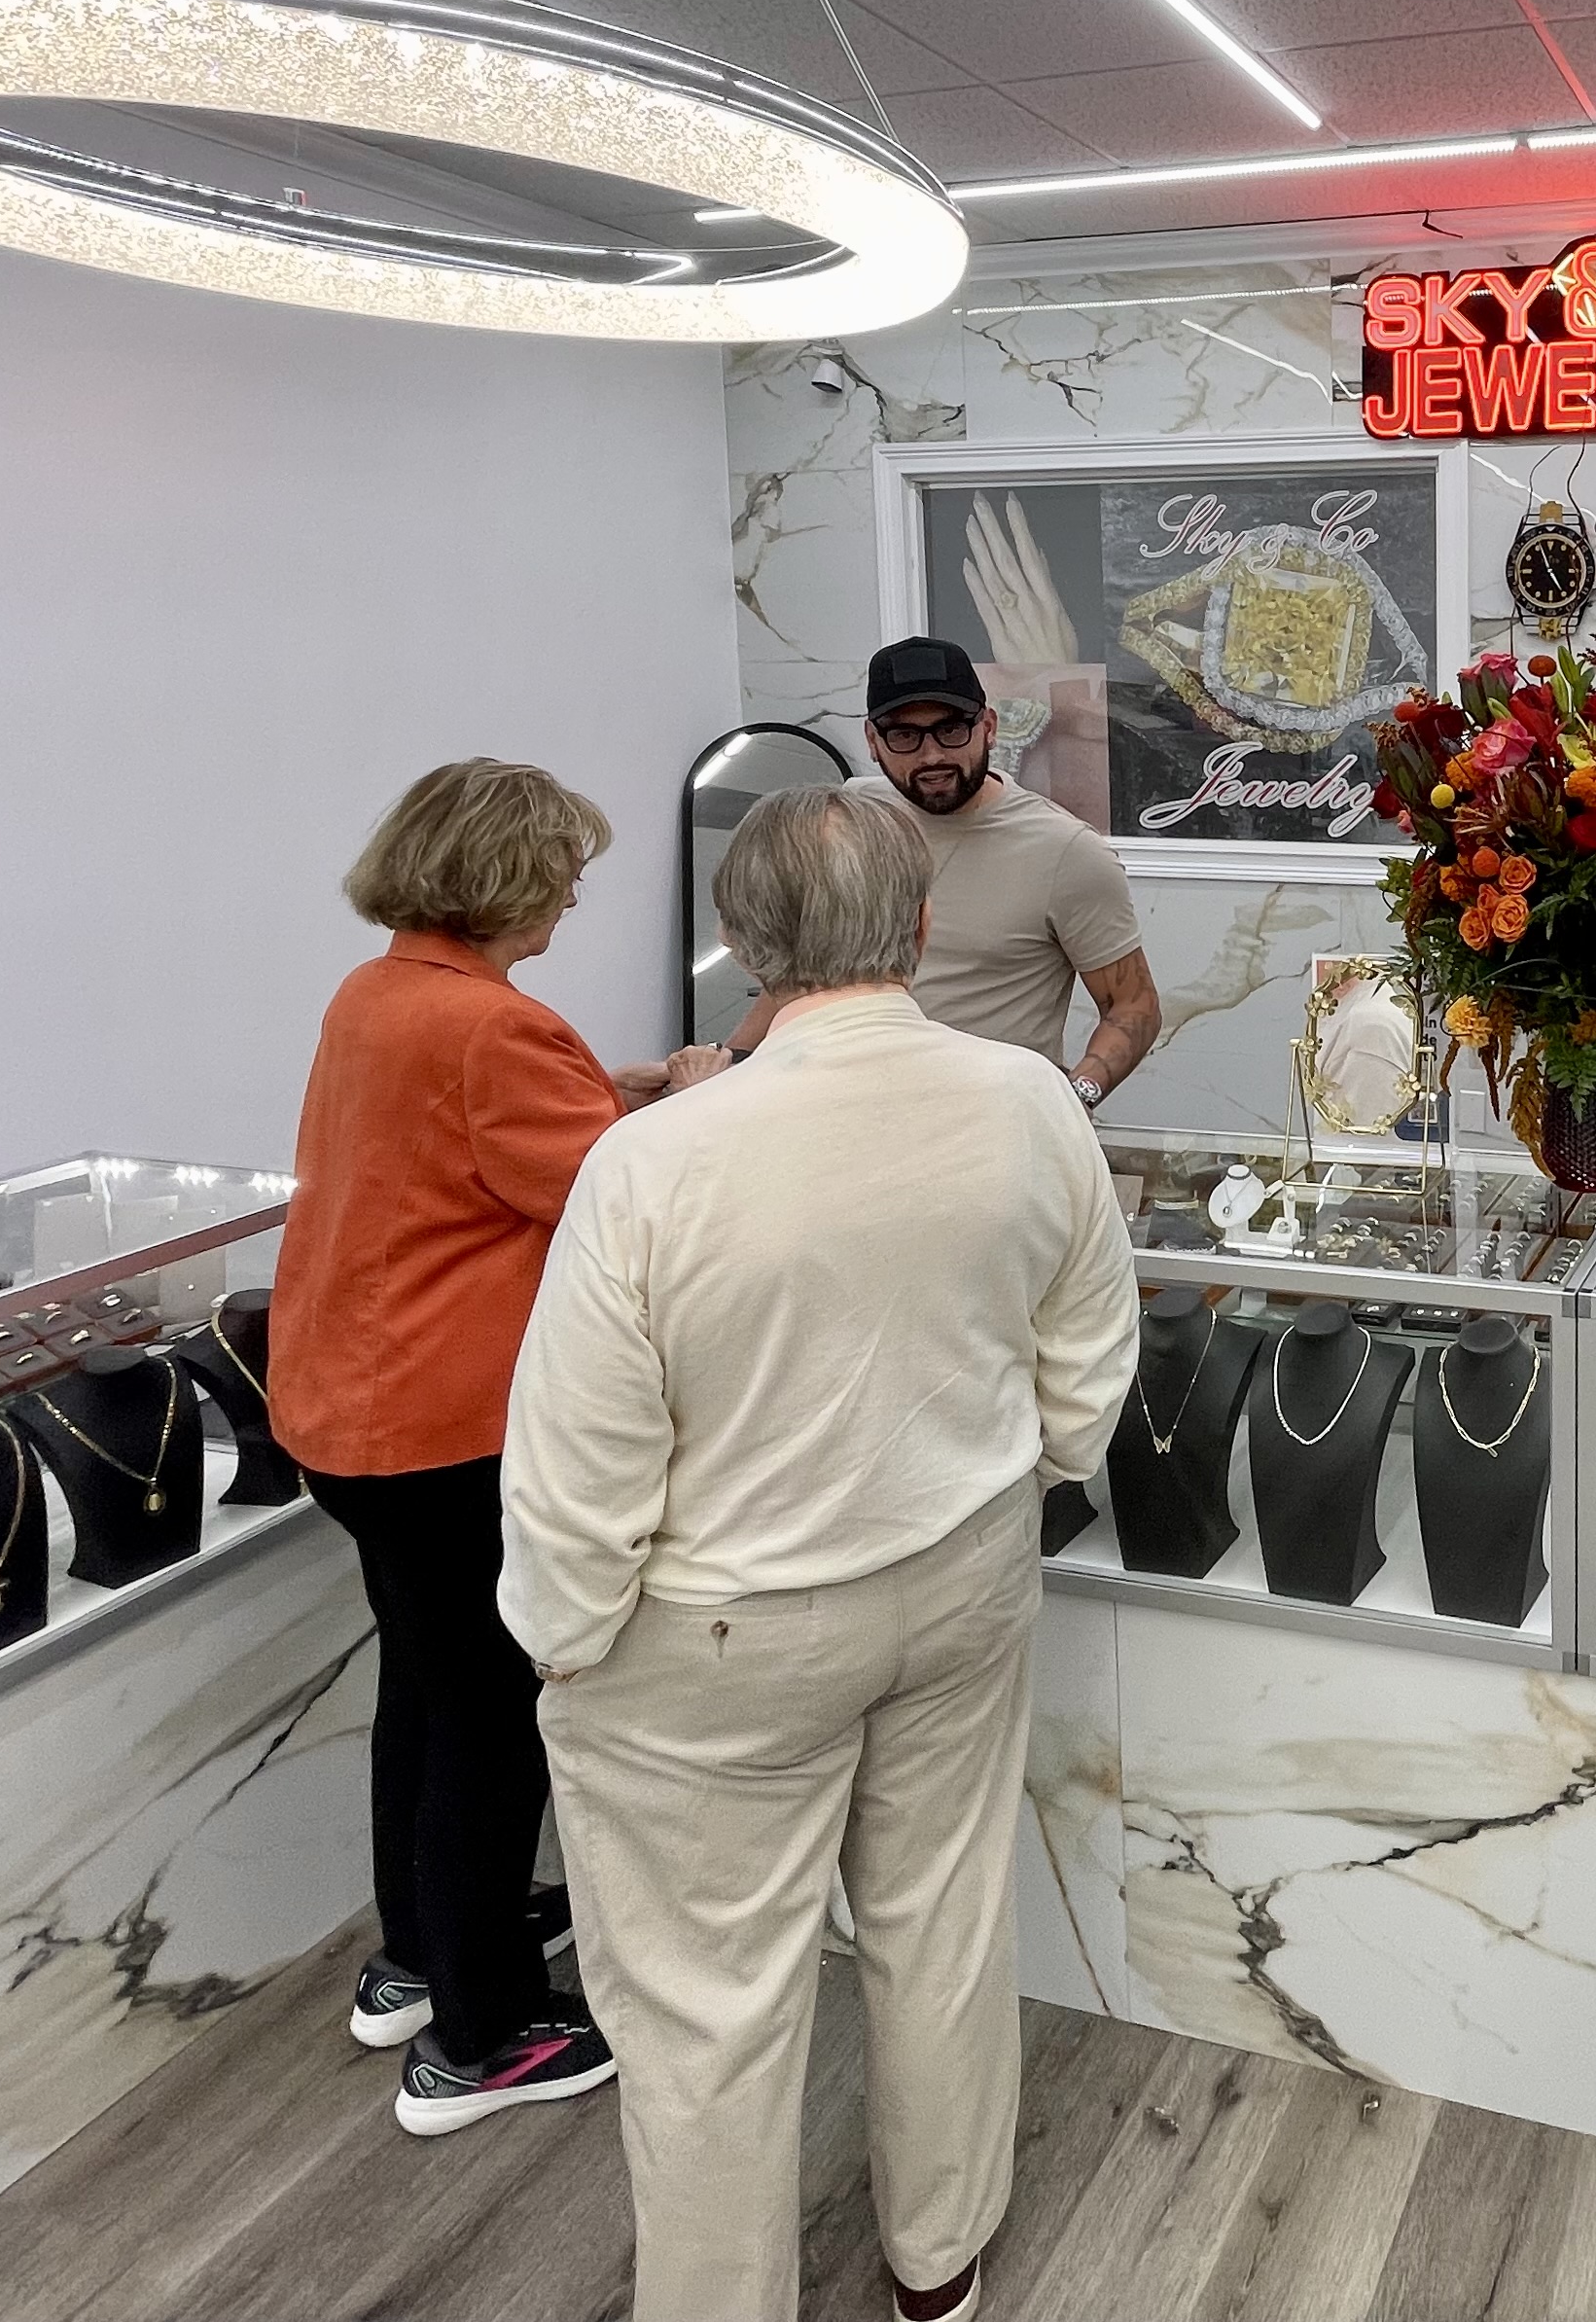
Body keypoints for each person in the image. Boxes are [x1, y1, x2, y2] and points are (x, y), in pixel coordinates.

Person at [503, 785, 1138, 2322]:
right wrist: (1032, 1471)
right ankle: (941, 2259)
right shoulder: (1030, 1100)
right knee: (941, 1918)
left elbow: (583, 1457)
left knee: (707, 2009)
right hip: (966, 1573)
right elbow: (1089, 1351)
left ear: (739, 947)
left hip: (719, 1635)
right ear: (920, 929)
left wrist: (566, 1637)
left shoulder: (654, 1164)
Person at [266, 759, 719, 2136]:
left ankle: (417, 1952)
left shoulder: (380, 998)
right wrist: (701, 1094)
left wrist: (618, 1088)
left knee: (423, 1682)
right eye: (564, 872)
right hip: (441, 1428)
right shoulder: (490, 1033)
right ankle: (483, 2032)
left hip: (342, 1412)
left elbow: (485, 1154)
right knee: (491, 1716)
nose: (577, 897)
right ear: (503, 877)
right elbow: (624, 1202)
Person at [806, 633, 1157, 1109]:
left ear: (989, 726)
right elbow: (798, 975)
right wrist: (735, 1060)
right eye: (905, 735)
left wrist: (1073, 1100)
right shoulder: (849, 820)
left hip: (994, 1124)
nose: (931, 755)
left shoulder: (1066, 851)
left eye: (952, 729)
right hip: (848, 1111)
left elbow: (1133, 1006)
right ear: (873, 741)